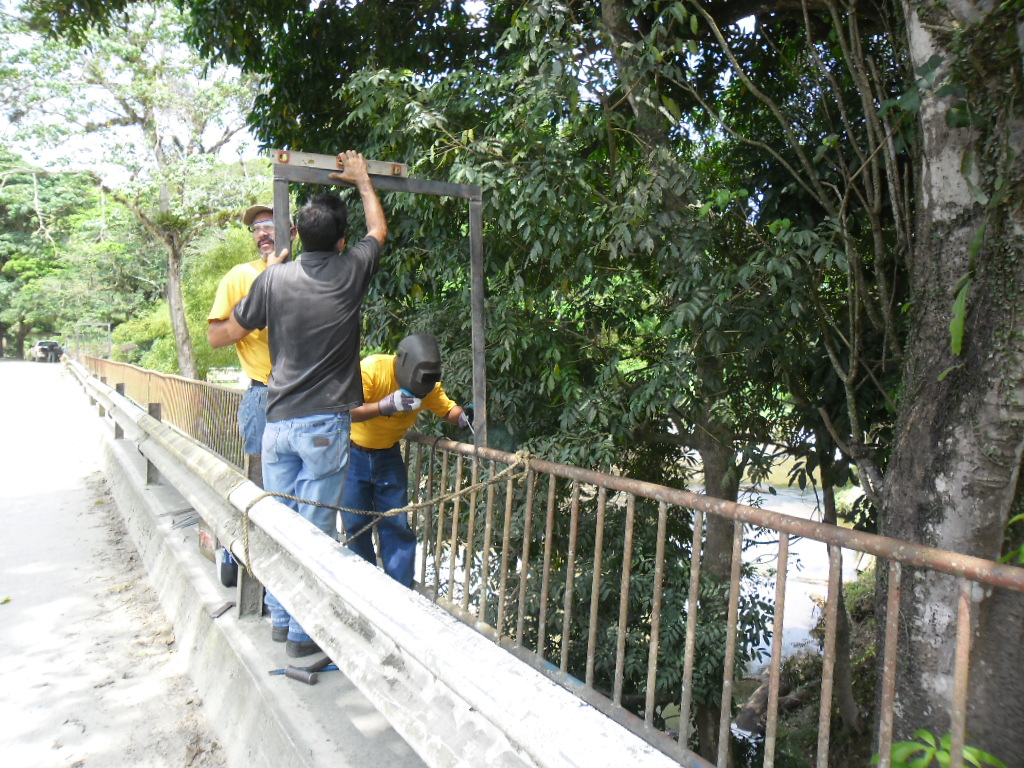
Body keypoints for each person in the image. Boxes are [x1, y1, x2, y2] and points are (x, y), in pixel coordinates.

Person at [211, 151, 386, 658]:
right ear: (340, 242)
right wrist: (363, 181)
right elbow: (379, 230)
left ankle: (284, 623)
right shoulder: (350, 271)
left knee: (281, 524)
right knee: (313, 532)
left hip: (277, 423)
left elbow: (230, 330)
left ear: (297, 237)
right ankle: (306, 640)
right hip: (323, 427)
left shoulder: (273, 277)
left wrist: (271, 273)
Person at [345, 334, 472, 587]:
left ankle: (399, 589)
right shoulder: (371, 371)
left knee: (396, 522)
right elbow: (345, 410)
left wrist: (463, 417)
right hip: (353, 454)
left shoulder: (428, 386)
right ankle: (362, 587)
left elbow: (447, 409)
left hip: (388, 456)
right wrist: (383, 406)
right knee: (356, 522)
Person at [208, 203, 296, 483]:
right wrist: (251, 312)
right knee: (263, 488)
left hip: (308, 395)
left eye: (269, 224)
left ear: (292, 232)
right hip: (264, 396)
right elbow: (215, 337)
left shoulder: (308, 272)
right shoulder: (241, 275)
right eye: (256, 229)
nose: (262, 233)